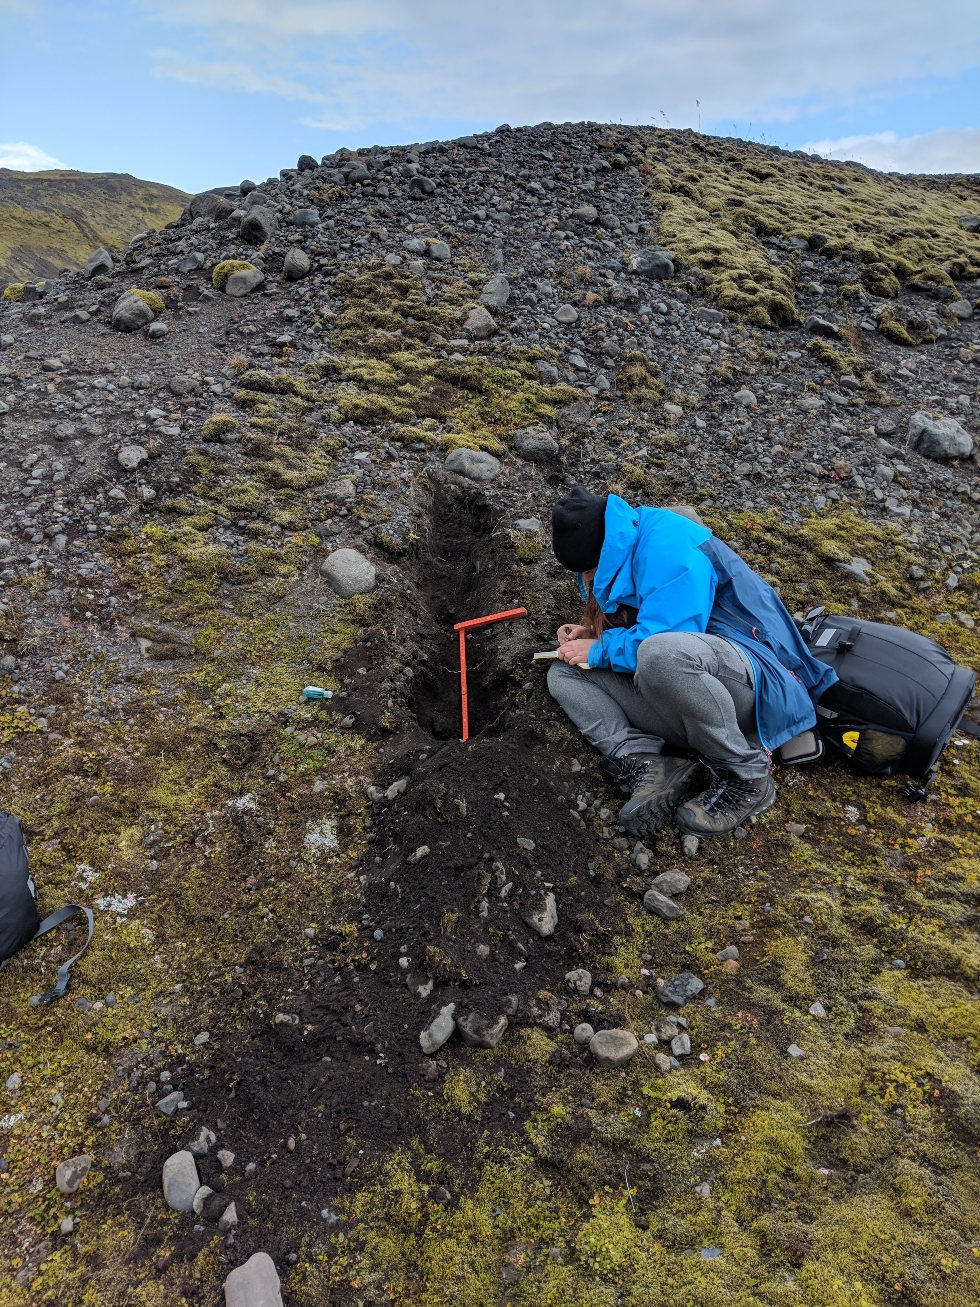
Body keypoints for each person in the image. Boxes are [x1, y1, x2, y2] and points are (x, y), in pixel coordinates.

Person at [547, 487, 838, 838]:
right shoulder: (628, 539)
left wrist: (601, 650)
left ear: (604, 551)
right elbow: (653, 616)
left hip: (757, 687)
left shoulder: (671, 547)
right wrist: (593, 635)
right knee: (564, 672)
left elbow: (669, 640)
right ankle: (648, 762)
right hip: (696, 691)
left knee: (659, 655)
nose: (588, 580)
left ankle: (746, 776)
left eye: (591, 571)